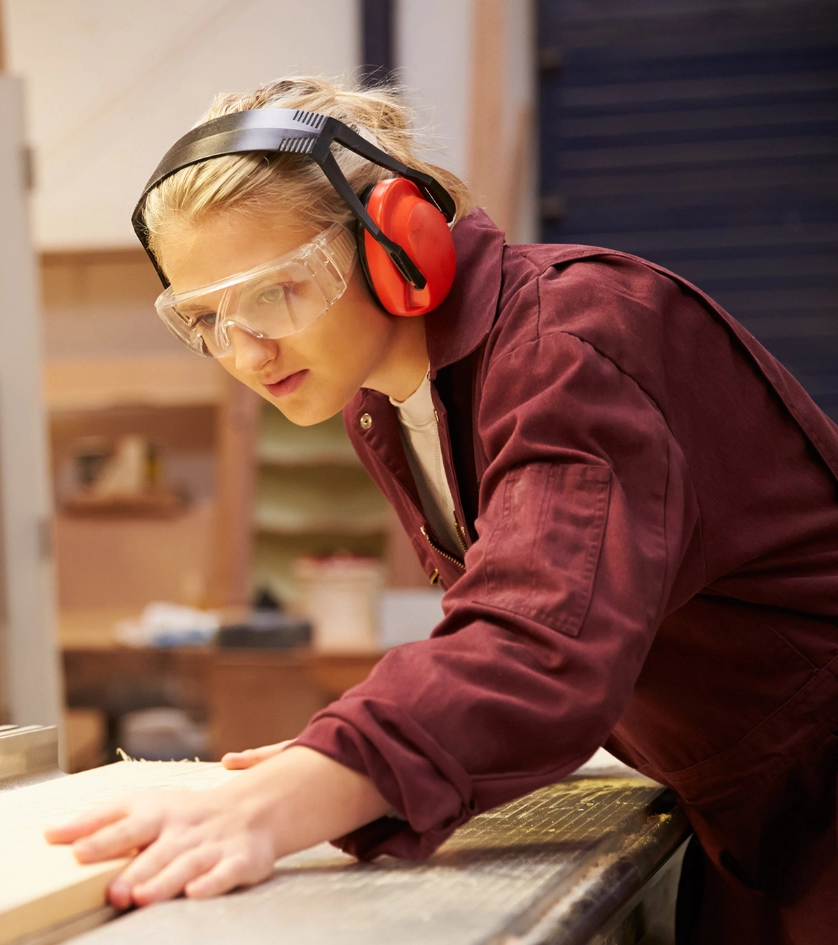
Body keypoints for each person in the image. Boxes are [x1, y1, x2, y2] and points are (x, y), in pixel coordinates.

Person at [44, 76, 838, 944]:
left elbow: (541, 638)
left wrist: (317, 781)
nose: (245, 351)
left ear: (396, 237)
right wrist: (357, 755)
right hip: (753, 814)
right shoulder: (388, 402)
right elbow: (509, 617)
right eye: (204, 318)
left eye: (275, 291)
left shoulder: (572, 344)